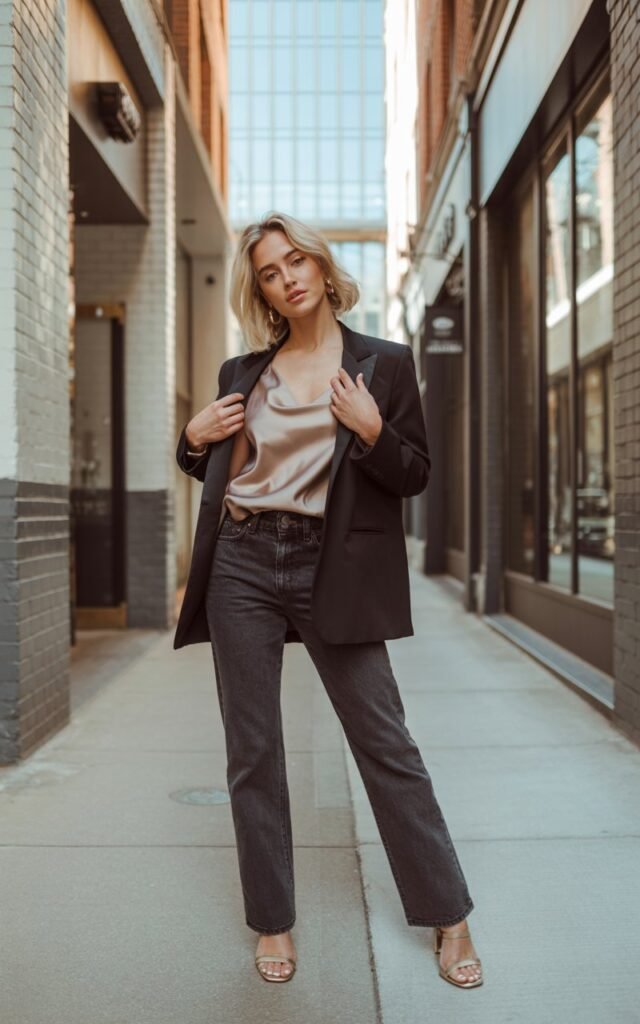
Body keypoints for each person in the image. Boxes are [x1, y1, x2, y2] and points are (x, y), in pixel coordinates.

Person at [175, 211, 483, 989]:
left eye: (296, 261)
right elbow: (217, 470)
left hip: (329, 567)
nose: (289, 278)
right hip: (243, 560)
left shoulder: (384, 364)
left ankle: (450, 914)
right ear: (266, 293)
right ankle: (273, 920)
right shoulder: (242, 373)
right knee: (253, 751)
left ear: (320, 264)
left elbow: (413, 473)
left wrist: (375, 431)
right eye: (272, 273)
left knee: (385, 743)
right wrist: (191, 436)